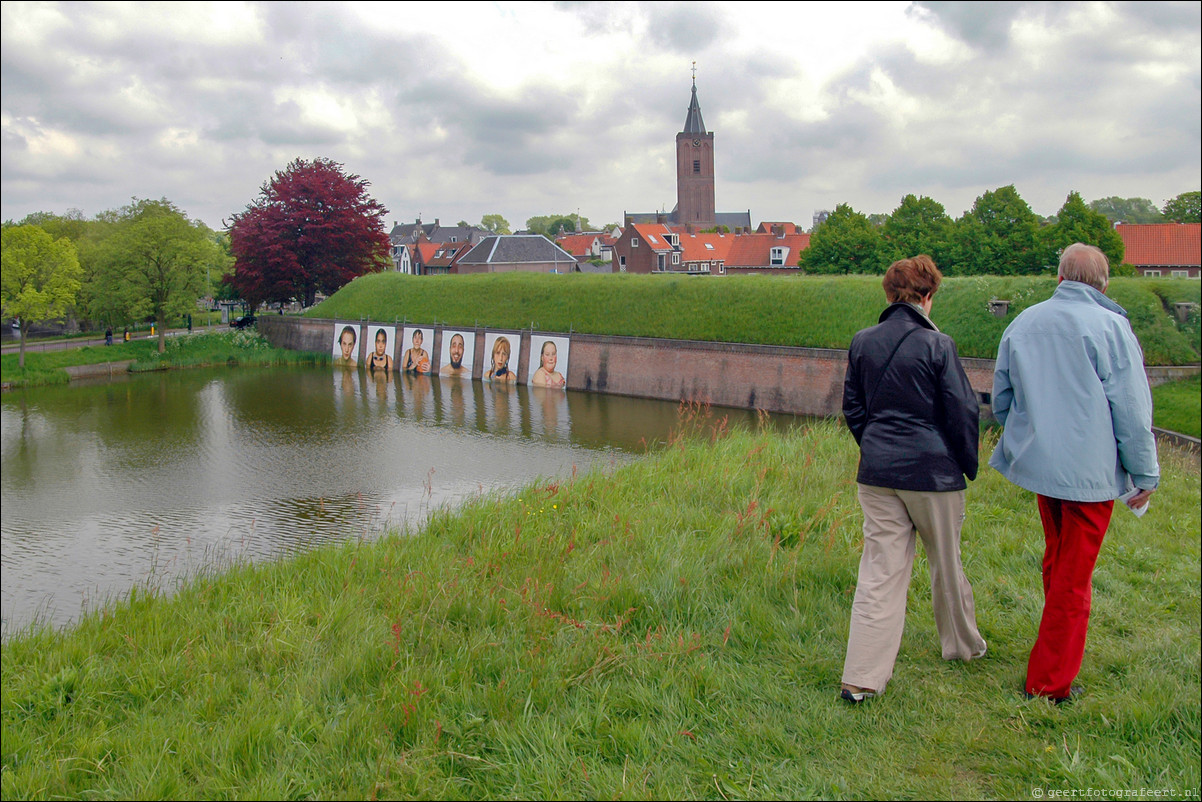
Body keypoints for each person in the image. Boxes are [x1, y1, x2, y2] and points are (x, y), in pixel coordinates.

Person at [990, 243, 1158, 705]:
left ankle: (1052, 644)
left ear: (1060, 277)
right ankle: (1049, 683)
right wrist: (1145, 473)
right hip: (1089, 474)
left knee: (1058, 557)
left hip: (1042, 466)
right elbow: (1130, 407)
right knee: (1073, 576)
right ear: (1102, 283)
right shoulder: (1110, 326)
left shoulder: (1024, 321)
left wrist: (1027, 435)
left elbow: (1001, 399)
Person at [840, 255, 986, 703]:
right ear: (928, 296)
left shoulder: (862, 341)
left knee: (880, 571)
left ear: (888, 295)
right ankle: (962, 647)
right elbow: (962, 411)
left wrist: (879, 447)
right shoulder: (938, 345)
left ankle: (861, 678)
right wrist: (966, 464)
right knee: (946, 562)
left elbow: (854, 409)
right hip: (932, 474)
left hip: (878, 473)